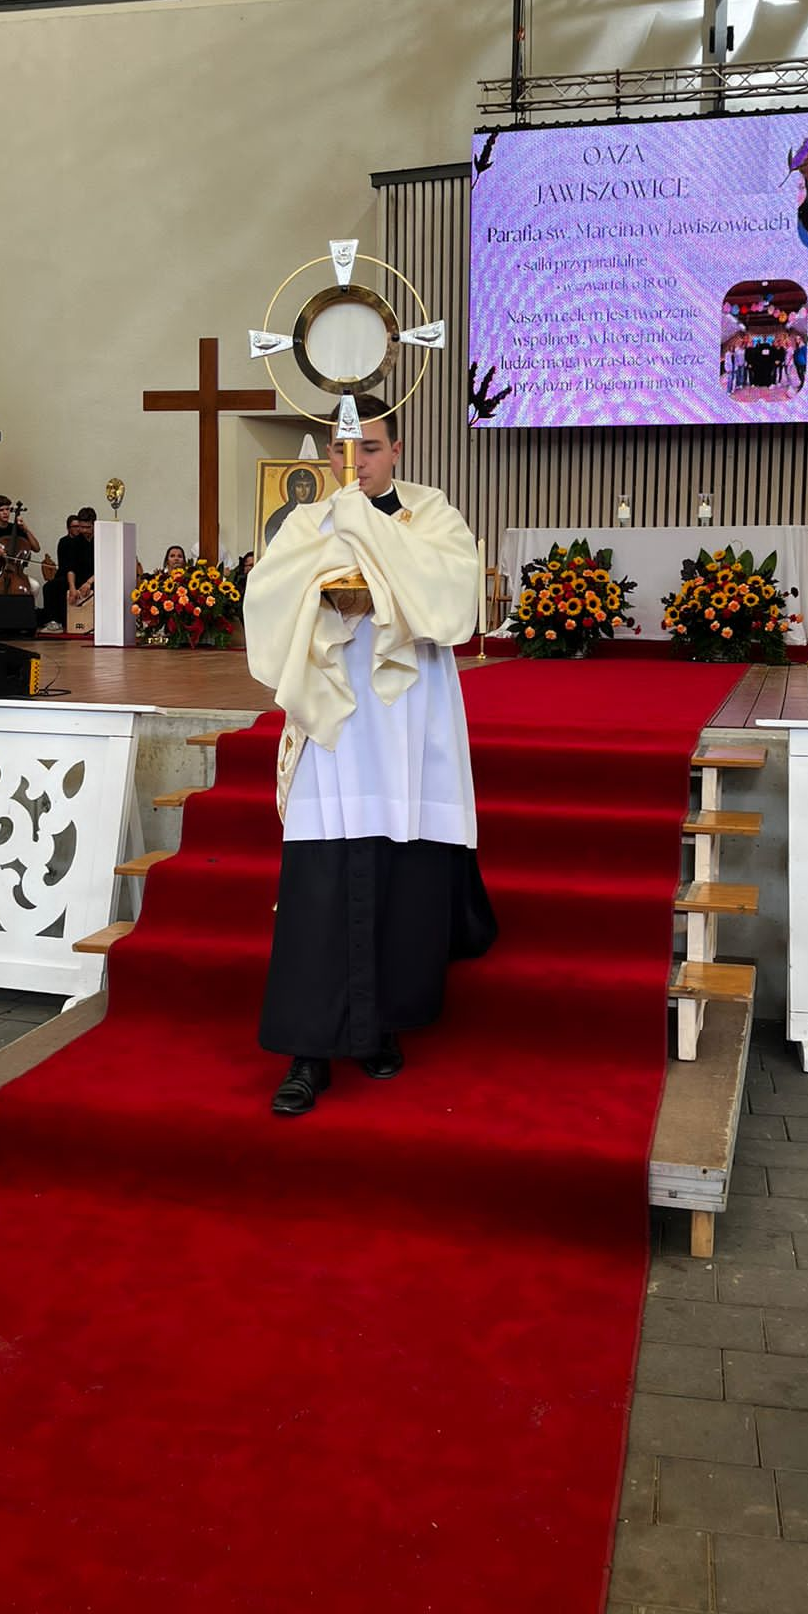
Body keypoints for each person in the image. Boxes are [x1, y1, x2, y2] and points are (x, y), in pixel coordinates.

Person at [245, 393, 497, 1117]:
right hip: (337, 719)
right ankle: (306, 1055)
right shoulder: (306, 519)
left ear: (397, 450)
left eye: (370, 448)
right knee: (322, 883)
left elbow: (452, 602)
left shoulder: (433, 513)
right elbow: (268, 594)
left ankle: (381, 1028)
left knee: (403, 876)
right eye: (338, 450)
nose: (352, 463)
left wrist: (366, 535)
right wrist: (322, 592)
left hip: (409, 718)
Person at [263, 464, 323, 546]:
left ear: (313, 488)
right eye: (299, 486)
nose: (303, 491)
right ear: (291, 488)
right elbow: (273, 543)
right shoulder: (279, 517)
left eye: (307, 486)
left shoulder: (320, 514)